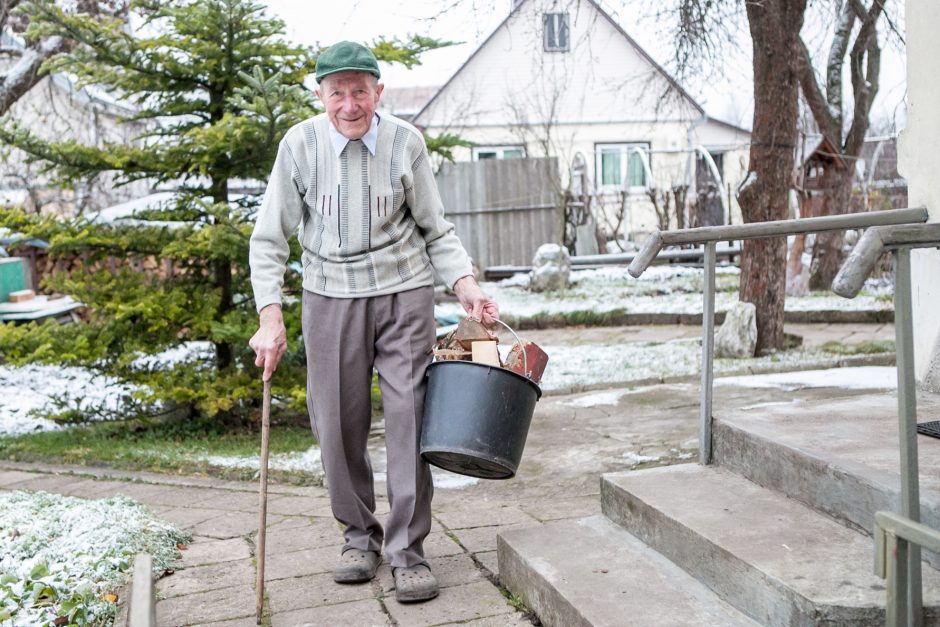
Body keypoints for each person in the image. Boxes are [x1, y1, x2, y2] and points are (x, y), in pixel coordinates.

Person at [248, 40, 498, 604]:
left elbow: (436, 228)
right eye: (337, 92)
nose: (350, 103)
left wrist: (466, 286)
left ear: (378, 92)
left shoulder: (406, 143)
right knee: (336, 423)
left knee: (410, 418)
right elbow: (269, 239)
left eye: (360, 90)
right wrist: (270, 315)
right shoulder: (300, 145)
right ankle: (358, 536)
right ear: (321, 96)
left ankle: (408, 550)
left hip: (404, 294)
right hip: (329, 296)